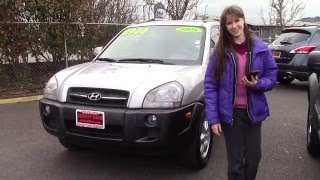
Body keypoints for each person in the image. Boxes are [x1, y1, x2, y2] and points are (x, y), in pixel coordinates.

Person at [204, 5, 277, 180]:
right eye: (229, 23)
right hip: (231, 115)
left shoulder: (260, 48)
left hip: (253, 112)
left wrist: (258, 84)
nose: (234, 25)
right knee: (235, 163)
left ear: (243, 21)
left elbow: (272, 76)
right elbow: (210, 86)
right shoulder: (220, 53)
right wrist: (213, 119)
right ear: (225, 26)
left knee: (254, 159)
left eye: (237, 20)